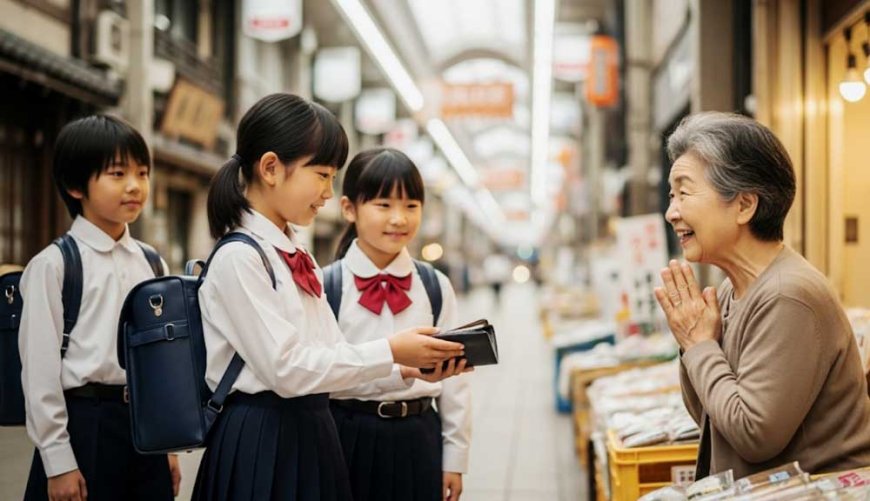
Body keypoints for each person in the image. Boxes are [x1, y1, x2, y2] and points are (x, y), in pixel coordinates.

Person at [192, 94, 467, 501]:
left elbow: (330, 353)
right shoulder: (239, 259)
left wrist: (406, 369)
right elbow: (286, 369)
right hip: (264, 436)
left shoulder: (293, 253)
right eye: (321, 174)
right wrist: (391, 351)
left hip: (309, 428)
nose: (327, 191)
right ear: (270, 168)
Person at [654, 112, 870, 479]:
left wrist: (699, 346)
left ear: (744, 205)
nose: (671, 212)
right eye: (672, 196)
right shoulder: (732, 290)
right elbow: (709, 414)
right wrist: (692, 342)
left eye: (684, 192)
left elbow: (754, 435)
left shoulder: (789, 296)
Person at [18, 115, 178, 501]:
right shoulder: (54, 265)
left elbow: (162, 366)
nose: (135, 186)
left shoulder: (153, 264)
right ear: (76, 185)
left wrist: (168, 446)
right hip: (85, 427)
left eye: (142, 173)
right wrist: (58, 462)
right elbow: (39, 373)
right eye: (117, 173)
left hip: (144, 432)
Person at [328, 148, 472, 501]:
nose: (399, 219)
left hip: (419, 435)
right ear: (349, 209)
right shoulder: (325, 286)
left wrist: (455, 458)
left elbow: (457, 386)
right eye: (383, 205)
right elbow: (322, 369)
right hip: (345, 434)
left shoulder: (435, 285)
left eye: (411, 206)